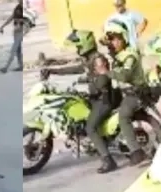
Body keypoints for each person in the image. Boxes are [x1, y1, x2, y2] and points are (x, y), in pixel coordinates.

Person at [40, 30, 120, 173]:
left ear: (85, 45)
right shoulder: (89, 59)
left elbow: (102, 80)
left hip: (104, 100)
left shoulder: (98, 59)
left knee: (91, 128)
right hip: (96, 98)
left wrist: (87, 81)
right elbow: (74, 69)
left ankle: (108, 160)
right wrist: (53, 71)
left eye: (78, 47)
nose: (77, 50)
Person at [104, 21, 149, 166]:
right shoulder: (119, 55)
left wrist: (107, 72)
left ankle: (137, 152)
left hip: (135, 93)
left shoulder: (130, 55)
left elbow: (125, 75)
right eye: (112, 40)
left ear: (124, 38)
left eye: (117, 39)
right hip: (125, 92)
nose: (114, 43)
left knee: (123, 116)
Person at [0, 1, 29, 73]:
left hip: (21, 31)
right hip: (16, 31)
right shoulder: (17, 7)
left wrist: (23, 28)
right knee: (18, 50)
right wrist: (3, 26)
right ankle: (21, 66)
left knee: (13, 49)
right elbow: (12, 17)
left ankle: (6, 67)